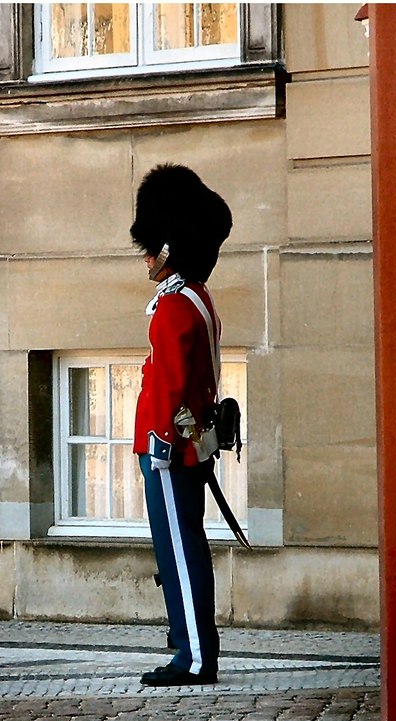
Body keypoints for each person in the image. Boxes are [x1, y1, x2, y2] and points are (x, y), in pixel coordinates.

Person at [130, 164, 233, 687]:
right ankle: (190, 640)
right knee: (183, 544)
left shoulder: (173, 306)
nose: (145, 256)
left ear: (169, 245)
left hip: (170, 448)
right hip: (190, 444)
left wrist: (162, 447)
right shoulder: (197, 297)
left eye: (151, 246)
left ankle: (193, 654)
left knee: (180, 547)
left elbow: (169, 387)